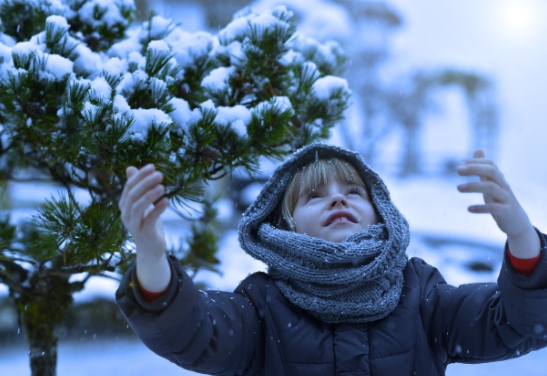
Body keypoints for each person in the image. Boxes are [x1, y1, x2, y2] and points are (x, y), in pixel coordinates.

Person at [116, 143, 547, 375]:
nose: (338, 197)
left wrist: (522, 236)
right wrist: (152, 255)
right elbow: (194, 335)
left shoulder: (422, 295)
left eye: (353, 191)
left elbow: (517, 323)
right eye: (314, 195)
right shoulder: (260, 306)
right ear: (287, 225)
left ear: (381, 211)